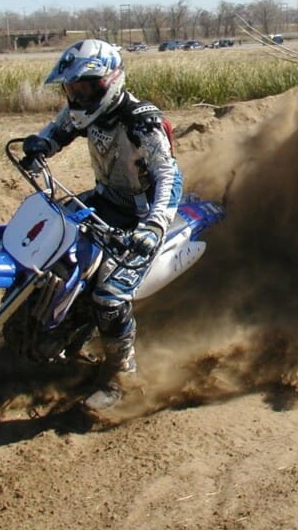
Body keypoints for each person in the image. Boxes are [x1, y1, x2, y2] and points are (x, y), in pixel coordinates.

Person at [21, 39, 182, 411]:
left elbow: (168, 175)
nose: (77, 96)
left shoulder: (143, 121)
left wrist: (155, 225)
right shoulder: (83, 112)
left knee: (110, 297)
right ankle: (50, 324)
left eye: (86, 87)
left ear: (110, 81)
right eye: (72, 89)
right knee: (48, 245)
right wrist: (39, 147)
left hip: (143, 215)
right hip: (104, 200)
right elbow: (57, 130)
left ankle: (122, 377)